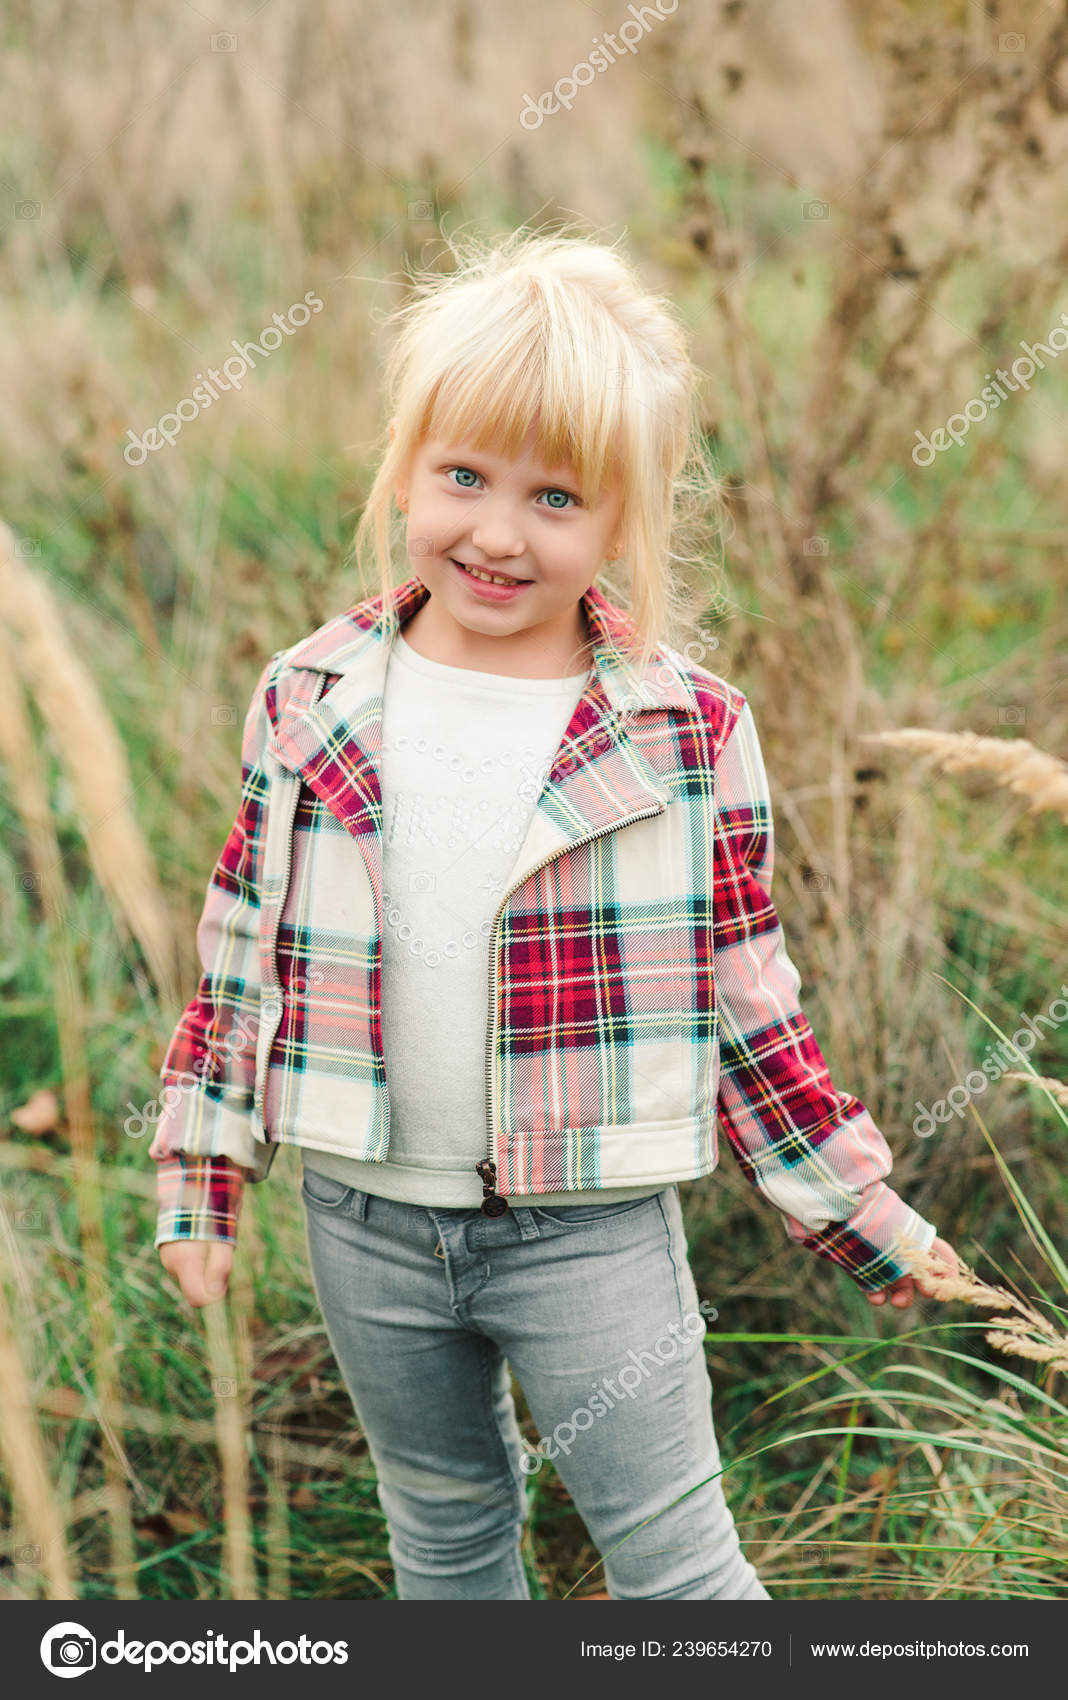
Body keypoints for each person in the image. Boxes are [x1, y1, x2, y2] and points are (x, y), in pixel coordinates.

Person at [151, 227, 958, 1601]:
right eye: (463, 476)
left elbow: (746, 996)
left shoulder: (682, 732)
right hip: (362, 1219)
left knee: (678, 1565)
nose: (498, 533)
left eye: (557, 497)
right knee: (445, 1530)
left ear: (624, 522)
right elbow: (241, 954)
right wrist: (200, 1173)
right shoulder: (312, 694)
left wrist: (855, 1210)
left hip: (589, 1233)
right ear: (405, 464)